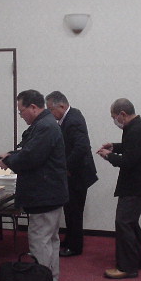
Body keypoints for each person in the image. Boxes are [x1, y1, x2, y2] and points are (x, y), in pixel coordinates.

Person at [0, 90, 68, 281]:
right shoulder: (46, 124)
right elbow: (31, 151)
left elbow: (31, 157)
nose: (21, 115)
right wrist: (12, 155)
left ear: (33, 107)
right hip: (51, 193)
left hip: (44, 194)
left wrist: (9, 161)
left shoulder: (45, 126)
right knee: (50, 239)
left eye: (21, 111)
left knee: (40, 240)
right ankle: (50, 277)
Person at [97, 98, 141, 279]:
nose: (114, 120)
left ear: (122, 114)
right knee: (130, 223)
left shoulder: (136, 130)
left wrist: (109, 156)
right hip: (140, 184)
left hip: (136, 185)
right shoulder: (136, 128)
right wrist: (114, 147)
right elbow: (132, 149)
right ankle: (139, 259)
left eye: (114, 117)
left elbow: (129, 161)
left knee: (123, 223)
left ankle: (127, 267)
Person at [46, 91, 98, 257]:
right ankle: (70, 240)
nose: (50, 114)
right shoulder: (70, 116)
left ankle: (75, 247)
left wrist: (65, 167)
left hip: (77, 174)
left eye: (51, 109)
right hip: (75, 173)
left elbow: (81, 148)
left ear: (61, 106)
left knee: (74, 212)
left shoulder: (73, 120)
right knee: (70, 210)